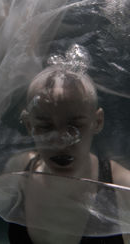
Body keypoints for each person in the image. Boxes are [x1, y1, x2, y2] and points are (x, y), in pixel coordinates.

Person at [8, 61, 129, 244]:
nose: (60, 141)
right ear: (29, 125)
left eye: (75, 125)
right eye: (45, 126)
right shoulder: (19, 169)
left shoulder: (124, 187)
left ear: (97, 122)